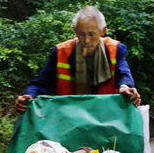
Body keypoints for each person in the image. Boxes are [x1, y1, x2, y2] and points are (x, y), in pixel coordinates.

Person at [14, 6, 142, 113]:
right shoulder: (60, 52)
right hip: (70, 118)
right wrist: (29, 96)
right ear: (75, 31)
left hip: (107, 116)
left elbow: (123, 73)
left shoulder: (115, 49)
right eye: (81, 34)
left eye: (92, 34)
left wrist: (125, 87)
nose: (86, 40)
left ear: (102, 31)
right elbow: (42, 83)